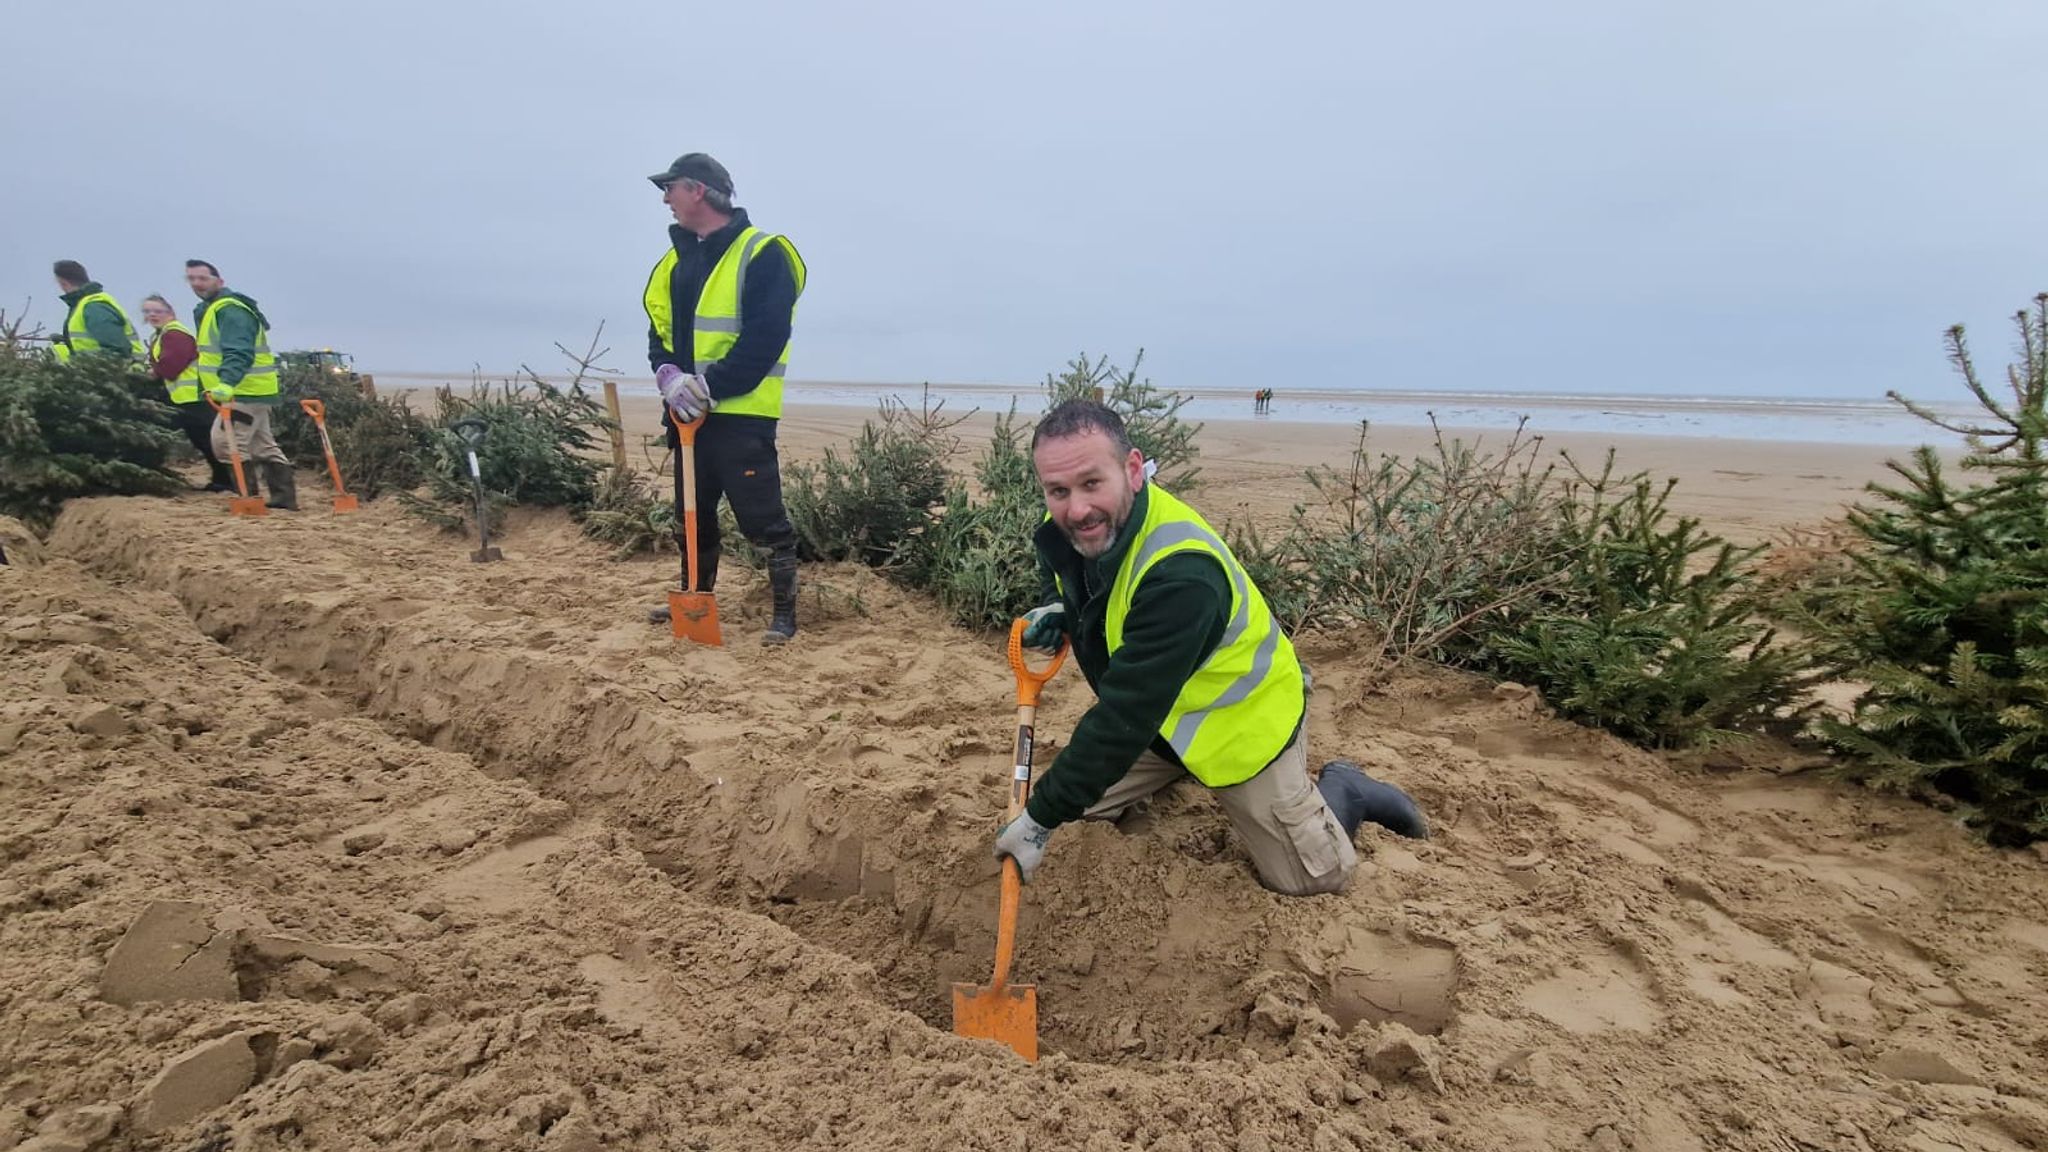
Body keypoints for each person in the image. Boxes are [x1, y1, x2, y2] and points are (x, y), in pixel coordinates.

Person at [995, 400, 1428, 896]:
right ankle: (1172, 769)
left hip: (1240, 726)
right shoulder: (1082, 530)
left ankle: (1343, 789)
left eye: (1092, 483)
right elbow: (1083, 584)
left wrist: (1040, 818)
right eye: (1058, 491)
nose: (1076, 508)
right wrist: (1058, 608)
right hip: (1162, 723)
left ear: (1132, 470)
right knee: (1072, 819)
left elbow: (1121, 717)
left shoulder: (1181, 573)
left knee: (1313, 878)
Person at [641, 152, 808, 644]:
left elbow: (766, 337)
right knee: (692, 516)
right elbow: (660, 331)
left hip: (742, 416)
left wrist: (711, 387)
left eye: (669, 188)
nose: (665, 199)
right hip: (686, 417)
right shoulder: (673, 262)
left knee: (764, 521)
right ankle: (694, 595)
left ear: (696, 190)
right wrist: (668, 375)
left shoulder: (764, 253)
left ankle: (784, 614)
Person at [186, 259, 295, 510]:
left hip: (244, 389)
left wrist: (226, 382)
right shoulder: (215, 309)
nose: (196, 284)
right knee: (262, 444)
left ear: (219, 281)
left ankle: (248, 498)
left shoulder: (230, 310)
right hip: (251, 390)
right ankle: (284, 499)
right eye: (191, 279)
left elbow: (239, 352)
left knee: (225, 441)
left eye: (203, 278)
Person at [141, 293, 231, 491]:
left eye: (158, 311)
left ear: (170, 312)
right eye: (148, 312)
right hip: (185, 397)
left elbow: (171, 367)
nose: (153, 315)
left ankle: (227, 481)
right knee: (203, 440)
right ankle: (223, 480)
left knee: (208, 441)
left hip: (194, 397)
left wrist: (152, 372)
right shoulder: (162, 334)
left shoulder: (175, 334)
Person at [50, 260, 144, 365]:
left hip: (113, 376)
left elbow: (117, 349)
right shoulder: (86, 305)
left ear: (64, 283)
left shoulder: (93, 307)